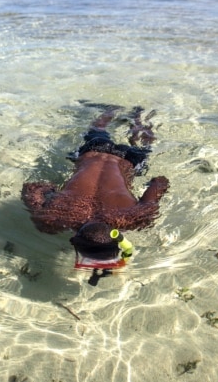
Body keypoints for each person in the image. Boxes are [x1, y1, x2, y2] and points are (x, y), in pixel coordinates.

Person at [21, 105, 169, 283]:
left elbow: (160, 182)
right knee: (98, 128)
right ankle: (124, 113)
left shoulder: (133, 217)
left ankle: (129, 114)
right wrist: (51, 194)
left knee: (142, 142)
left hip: (130, 159)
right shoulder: (53, 216)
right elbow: (32, 188)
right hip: (92, 151)